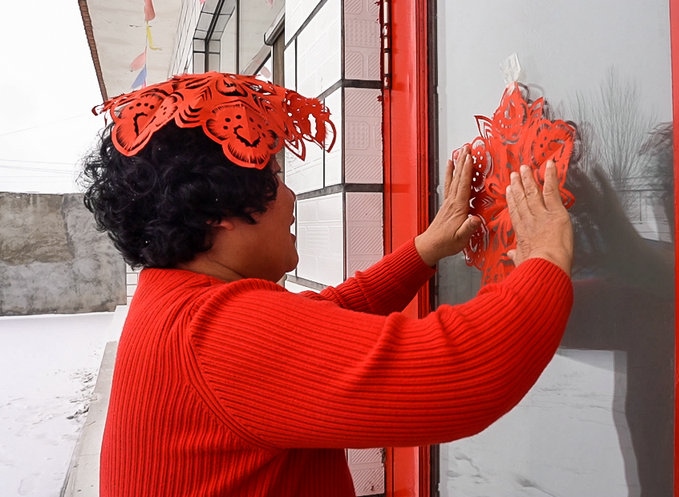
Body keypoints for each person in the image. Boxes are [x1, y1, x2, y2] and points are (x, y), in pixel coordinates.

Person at [81, 71, 573, 497]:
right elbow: (460, 374)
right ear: (217, 210)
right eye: (274, 178)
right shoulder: (215, 331)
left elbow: (322, 320)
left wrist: (423, 250)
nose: (291, 196)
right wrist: (546, 258)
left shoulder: (172, 302)